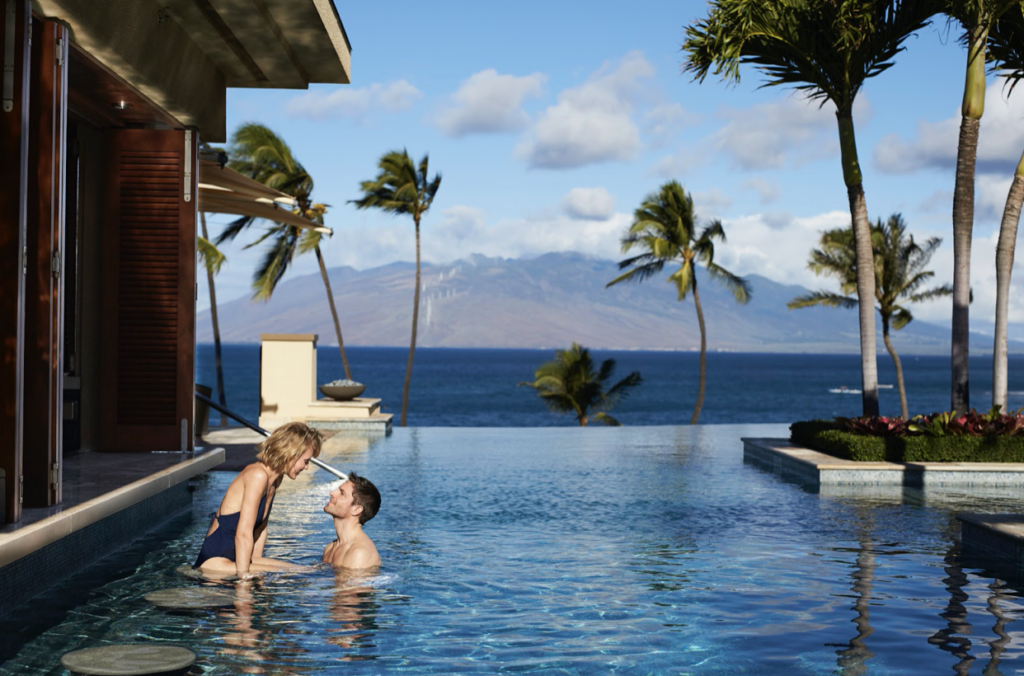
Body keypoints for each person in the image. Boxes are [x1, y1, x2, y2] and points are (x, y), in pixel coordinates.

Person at [194, 422, 323, 577]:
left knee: (305, 570)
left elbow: (261, 528)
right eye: (306, 461)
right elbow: (243, 533)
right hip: (215, 560)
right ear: (291, 454)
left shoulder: (275, 479)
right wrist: (244, 579)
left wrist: (257, 570)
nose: (306, 467)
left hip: (238, 558)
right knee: (295, 574)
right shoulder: (257, 475)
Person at [322, 473, 381, 569]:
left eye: (342, 493)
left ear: (356, 510)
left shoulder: (359, 553)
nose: (332, 492)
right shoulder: (330, 548)